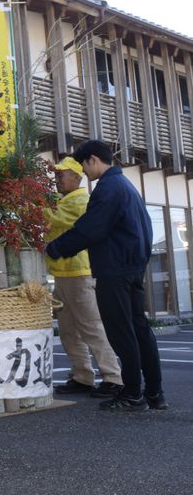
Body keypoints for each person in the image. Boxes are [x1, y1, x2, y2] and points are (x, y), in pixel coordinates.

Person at [46, 140, 166, 412]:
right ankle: (154, 393)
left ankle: (132, 394)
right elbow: (145, 226)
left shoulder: (108, 188)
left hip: (114, 269)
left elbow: (91, 228)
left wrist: (56, 248)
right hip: (132, 267)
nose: (85, 172)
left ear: (93, 160)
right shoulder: (125, 185)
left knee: (121, 332)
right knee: (139, 330)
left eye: (84, 165)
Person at [45, 157, 123, 398]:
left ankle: (113, 378)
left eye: (61, 174)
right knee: (69, 331)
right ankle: (82, 376)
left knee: (91, 327)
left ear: (76, 177)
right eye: (56, 175)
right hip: (64, 273)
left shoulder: (80, 200)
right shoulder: (65, 200)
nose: (57, 179)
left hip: (79, 273)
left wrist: (31, 201)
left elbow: (52, 218)